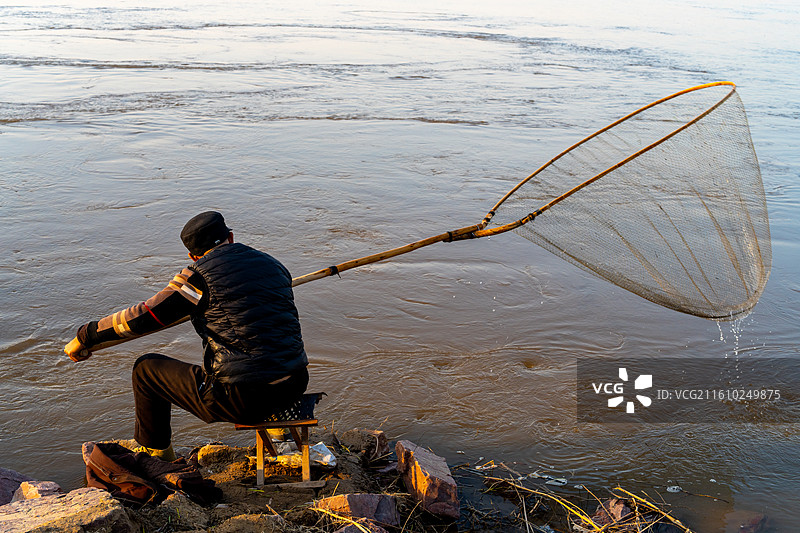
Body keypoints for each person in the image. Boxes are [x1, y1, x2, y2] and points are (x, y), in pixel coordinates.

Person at [64, 211, 309, 460]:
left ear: (192, 256)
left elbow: (144, 316)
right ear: (231, 237)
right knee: (266, 349)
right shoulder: (273, 265)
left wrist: (86, 336)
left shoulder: (198, 277)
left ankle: (157, 453)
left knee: (146, 370)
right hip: (295, 385)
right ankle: (279, 428)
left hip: (242, 399)